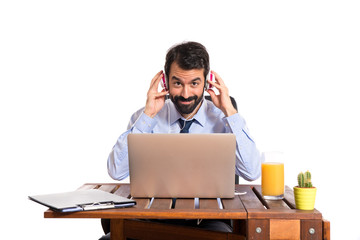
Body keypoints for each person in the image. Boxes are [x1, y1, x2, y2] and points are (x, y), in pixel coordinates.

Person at [100, 41, 261, 239]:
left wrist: (230, 112)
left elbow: (252, 172)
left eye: (194, 83)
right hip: (151, 219)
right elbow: (116, 172)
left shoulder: (223, 120)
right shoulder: (145, 118)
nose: (186, 94)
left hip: (207, 223)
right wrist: (148, 115)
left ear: (207, 82)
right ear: (166, 82)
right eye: (178, 83)